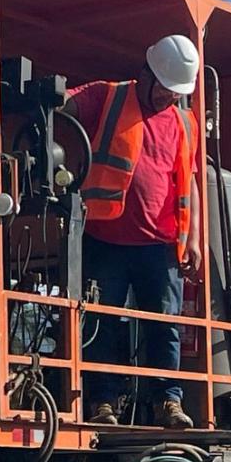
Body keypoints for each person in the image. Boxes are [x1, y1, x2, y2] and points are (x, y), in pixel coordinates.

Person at [65, 34, 202, 429]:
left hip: (160, 246)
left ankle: (168, 403)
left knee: (165, 325)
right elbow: (63, 104)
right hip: (105, 237)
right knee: (101, 324)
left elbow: (188, 179)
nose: (170, 99)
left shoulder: (184, 121)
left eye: (178, 93)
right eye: (166, 90)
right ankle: (103, 403)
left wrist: (193, 238)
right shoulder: (106, 97)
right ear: (147, 75)